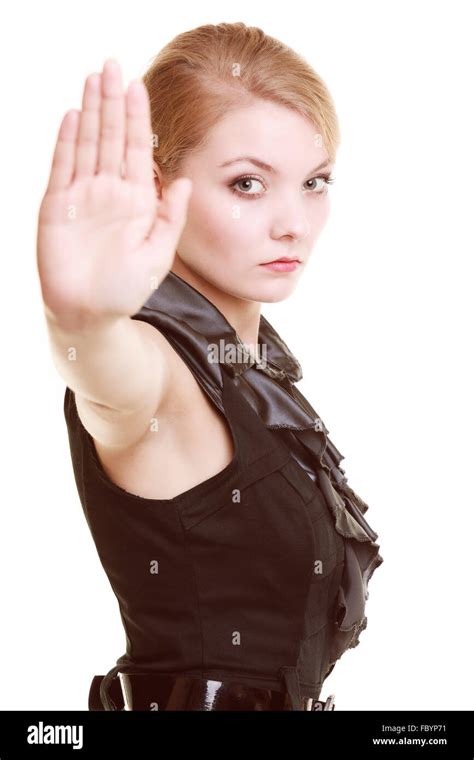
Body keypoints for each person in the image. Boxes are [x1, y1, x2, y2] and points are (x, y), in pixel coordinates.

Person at [37, 21, 383, 711]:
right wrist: (79, 322)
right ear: (158, 183)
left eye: (315, 181)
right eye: (248, 183)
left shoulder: (250, 372)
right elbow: (112, 384)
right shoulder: (158, 369)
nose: (295, 222)